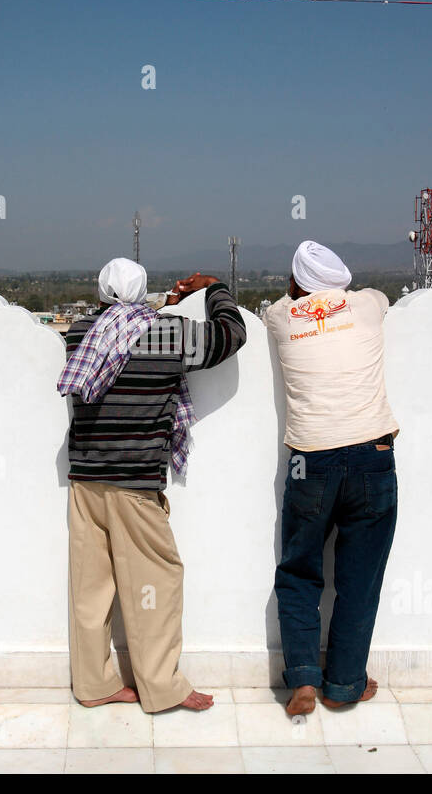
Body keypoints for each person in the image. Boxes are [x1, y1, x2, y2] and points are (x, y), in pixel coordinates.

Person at [57, 259, 246, 713]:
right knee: (155, 584)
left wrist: (165, 307)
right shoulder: (169, 336)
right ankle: (160, 688)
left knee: (91, 592)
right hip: (134, 486)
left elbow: (122, 328)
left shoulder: (79, 335)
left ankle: (94, 684)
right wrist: (215, 287)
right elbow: (230, 334)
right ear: (143, 297)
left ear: (101, 296)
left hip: (85, 483)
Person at [262, 240, 399, 716]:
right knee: (359, 579)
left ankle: (302, 680)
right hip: (373, 454)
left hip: (310, 461)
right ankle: (343, 684)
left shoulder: (280, 317)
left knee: (300, 570)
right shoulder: (369, 305)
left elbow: (287, 303)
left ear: (296, 284)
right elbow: (374, 297)